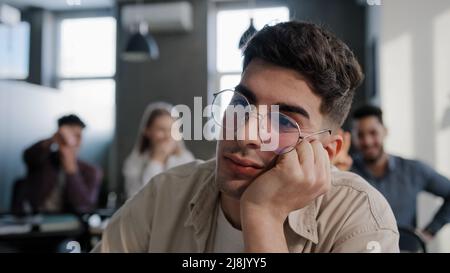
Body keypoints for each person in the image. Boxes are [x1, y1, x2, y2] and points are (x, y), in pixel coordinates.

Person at [93, 21, 399, 253]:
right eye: (240, 104)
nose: (244, 132)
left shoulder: (359, 217)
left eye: (283, 121)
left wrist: (263, 216)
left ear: (329, 152)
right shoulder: (165, 196)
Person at [351, 105, 450, 241]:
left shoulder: (413, 170)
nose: (367, 141)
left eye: (373, 133)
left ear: (385, 131)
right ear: (353, 137)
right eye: (360, 135)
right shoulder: (345, 171)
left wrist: (430, 231)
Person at [13, 114, 103, 214]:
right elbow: (28, 156)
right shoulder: (42, 160)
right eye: (70, 135)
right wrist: (52, 140)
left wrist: (71, 169)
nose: (74, 141)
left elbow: (84, 206)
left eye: (78, 136)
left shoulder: (91, 171)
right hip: (36, 220)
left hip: (70, 224)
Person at [122, 102, 195, 198]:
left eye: (171, 130)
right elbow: (138, 200)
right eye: (161, 129)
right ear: (147, 131)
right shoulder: (133, 163)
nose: (167, 136)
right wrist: (156, 160)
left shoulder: (187, 159)